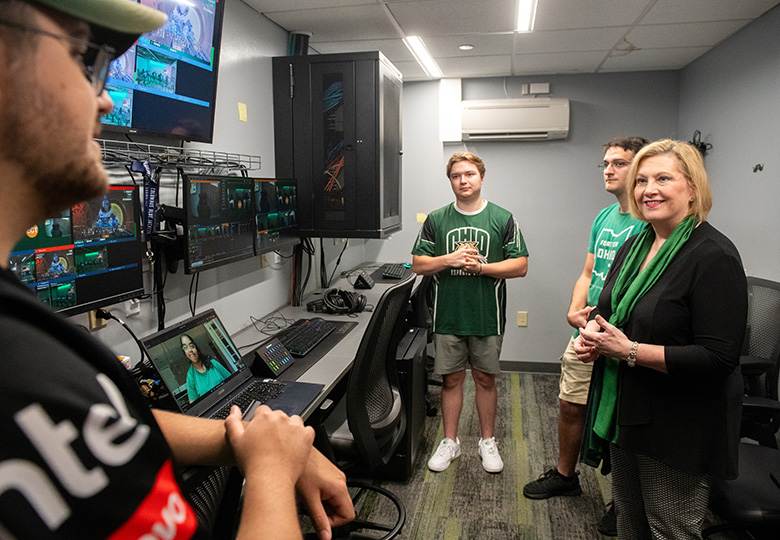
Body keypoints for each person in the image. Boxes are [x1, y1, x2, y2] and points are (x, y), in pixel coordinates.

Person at [0, 2, 353, 539]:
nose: (108, 98)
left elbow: (104, 418)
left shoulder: (23, 331)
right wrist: (270, 473)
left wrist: (243, 441)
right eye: (83, 58)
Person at [574, 139, 747, 539]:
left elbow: (719, 358)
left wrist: (629, 351)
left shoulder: (713, 255)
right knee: (630, 524)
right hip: (629, 409)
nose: (648, 189)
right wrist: (594, 335)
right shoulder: (636, 244)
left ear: (692, 188)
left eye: (663, 178)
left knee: (671, 529)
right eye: (642, 180)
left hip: (679, 422)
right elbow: (615, 307)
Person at [523, 136, 648, 535]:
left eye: (619, 163)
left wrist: (602, 324)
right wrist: (575, 313)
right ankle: (565, 475)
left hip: (622, 332)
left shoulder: (649, 222)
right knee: (571, 403)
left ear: (638, 168)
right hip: (588, 328)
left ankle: (622, 500)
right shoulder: (604, 218)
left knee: (617, 416)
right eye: (605, 163)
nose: (609, 170)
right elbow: (588, 273)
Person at [412, 152, 528, 474]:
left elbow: (520, 265)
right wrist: (449, 259)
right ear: (450, 181)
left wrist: (481, 267)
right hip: (448, 315)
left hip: (486, 316)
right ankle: (451, 441)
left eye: (469, 174)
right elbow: (418, 264)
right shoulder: (436, 220)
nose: (463, 181)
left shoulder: (502, 218)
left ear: (481, 177)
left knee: (484, 379)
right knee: (451, 381)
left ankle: (487, 441)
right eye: (455, 176)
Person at [181, 334, 232, 402]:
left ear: (197, 348)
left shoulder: (213, 363)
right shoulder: (190, 376)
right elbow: (194, 404)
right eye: (185, 348)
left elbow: (232, 380)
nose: (190, 350)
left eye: (192, 346)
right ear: (185, 354)